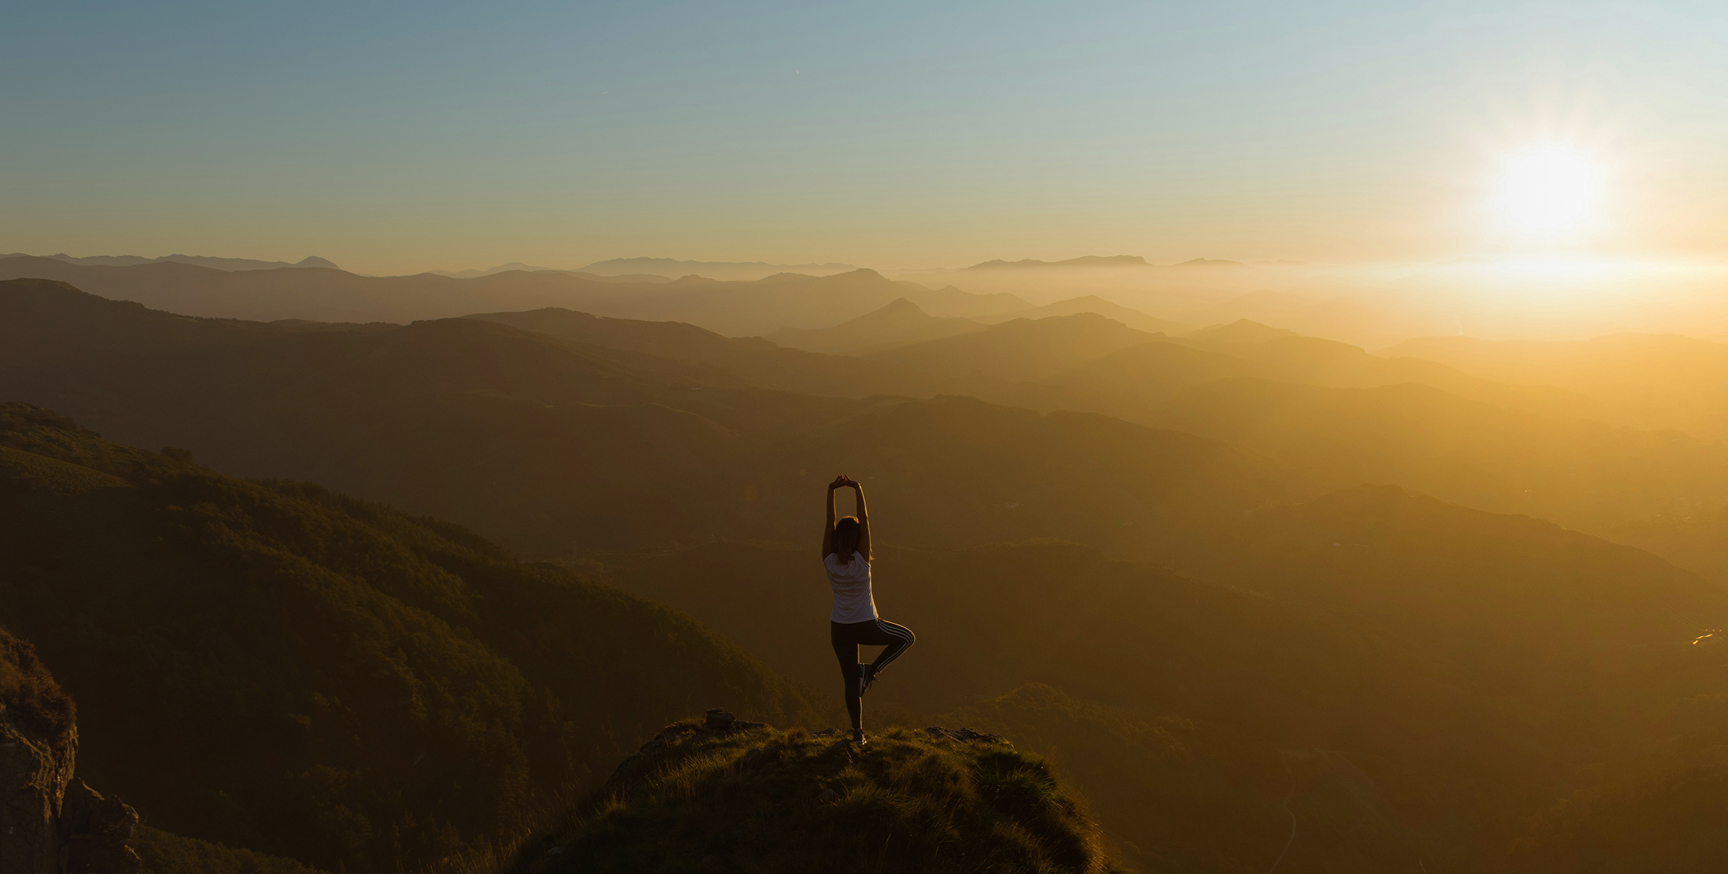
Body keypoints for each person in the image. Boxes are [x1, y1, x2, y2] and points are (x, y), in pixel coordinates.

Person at [823, 474, 914, 747]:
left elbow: (829, 521)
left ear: (837, 537)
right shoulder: (862, 561)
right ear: (859, 537)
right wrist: (857, 487)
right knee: (907, 638)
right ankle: (872, 670)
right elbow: (866, 518)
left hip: (839, 628)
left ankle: (857, 733)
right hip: (865, 623)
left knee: (851, 683)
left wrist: (831, 490)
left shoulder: (828, 561)